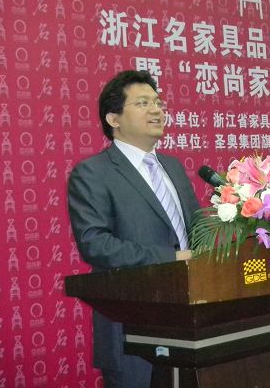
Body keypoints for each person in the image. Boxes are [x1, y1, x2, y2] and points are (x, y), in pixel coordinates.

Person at [67, 70, 200, 388]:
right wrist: (172, 258)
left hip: (190, 324)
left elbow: (196, 230)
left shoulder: (173, 167)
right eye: (142, 103)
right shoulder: (93, 173)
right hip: (130, 329)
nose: (156, 110)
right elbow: (95, 244)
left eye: (158, 102)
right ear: (113, 118)